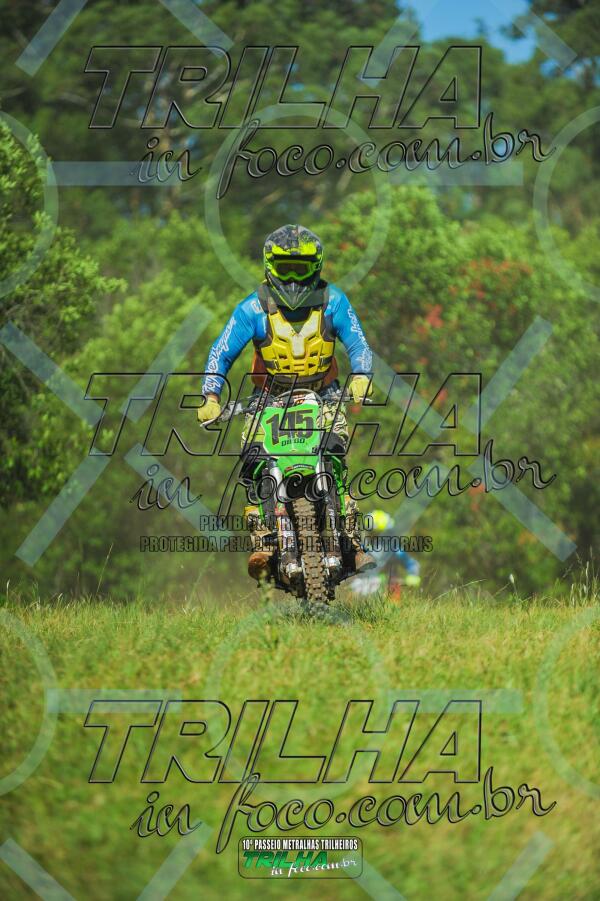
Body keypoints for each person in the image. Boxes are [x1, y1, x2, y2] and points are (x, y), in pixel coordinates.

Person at [197, 223, 375, 581]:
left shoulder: (334, 302)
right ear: (270, 266)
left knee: (335, 454)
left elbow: (359, 344)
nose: (293, 279)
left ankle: (352, 542)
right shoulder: (252, 309)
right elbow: (221, 352)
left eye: (301, 268)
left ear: (316, 267)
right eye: (285, 268)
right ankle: (264, 540)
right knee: (254, 460)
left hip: (324, 394)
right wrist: (211, 396)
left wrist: (361, 376)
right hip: (267, 397)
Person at [351, 509, 422, 600]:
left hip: (388, 591)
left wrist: (413, 574)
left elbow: (411, 563)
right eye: (373, 533)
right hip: (363, 591)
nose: (376, 537)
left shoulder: (394, 550)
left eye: (380, 534)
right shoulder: (360, 549)